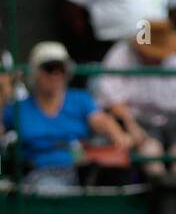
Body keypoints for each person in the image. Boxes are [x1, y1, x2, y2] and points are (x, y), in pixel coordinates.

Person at [1, 42, 130, 192]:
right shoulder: (18, 107)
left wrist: (117, 134)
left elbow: (100, 120)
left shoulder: (80, 99)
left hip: (79, 169)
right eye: (49, 68)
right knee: (51, 188)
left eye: (61, 68)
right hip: (38, 174)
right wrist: (4, 92)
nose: (56, 75)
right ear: (35, 72)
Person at [92, 20, 176, 174]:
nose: (156, 57)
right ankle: (160, 195)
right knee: (151, 157)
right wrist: (130, 124)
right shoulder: (122, 55)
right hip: (139, 123)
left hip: (175, 123)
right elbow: (110, 97)